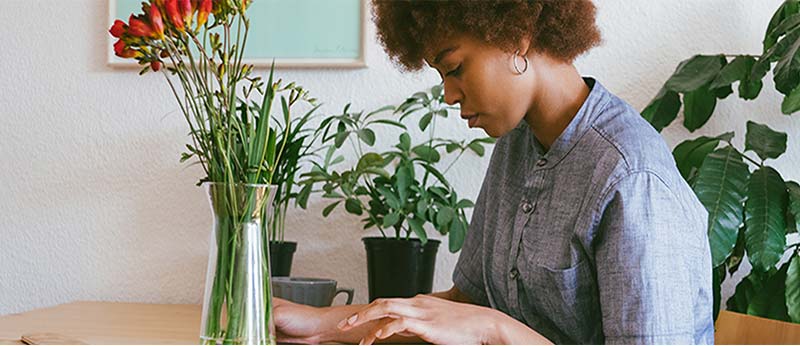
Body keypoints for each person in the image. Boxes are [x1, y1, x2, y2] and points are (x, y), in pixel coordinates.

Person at [273, 0, 714, 344]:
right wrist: (317, 324)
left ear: (516, 37)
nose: (447, 95)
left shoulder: (631, 179)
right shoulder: (517, 147)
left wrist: (494, 329)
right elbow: (462, 306)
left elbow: (478, 321)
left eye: (455, 67)